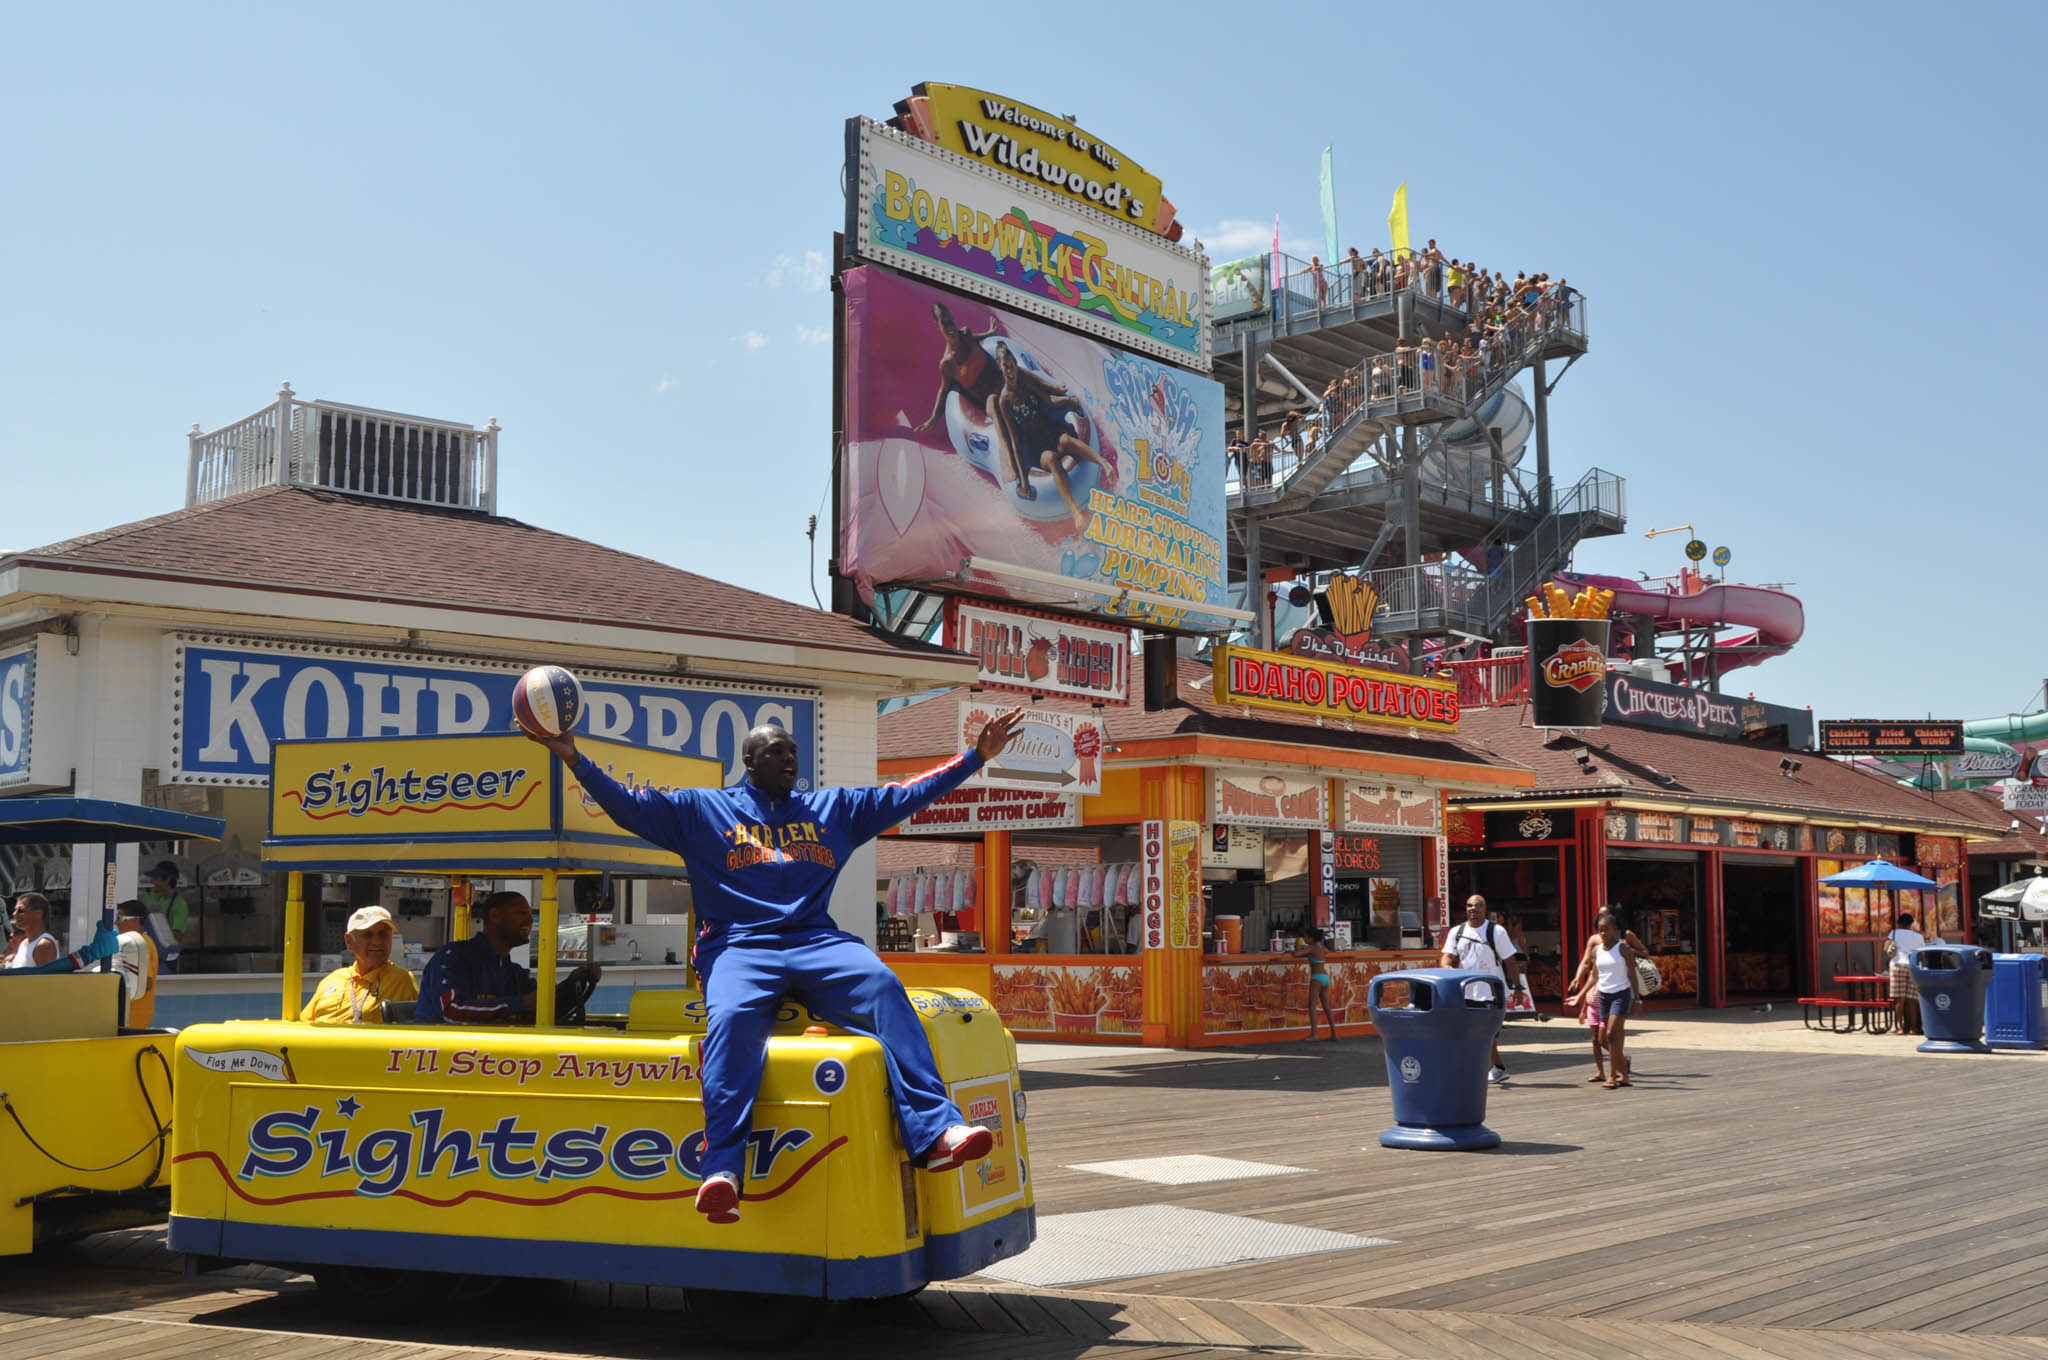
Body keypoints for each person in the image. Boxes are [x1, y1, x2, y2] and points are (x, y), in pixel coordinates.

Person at [528, 707, 1028, 1226]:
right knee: (732, 1020)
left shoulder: (833, 810)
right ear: (749, 761)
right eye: (775, 751)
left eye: (792, 750)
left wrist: (974, 758)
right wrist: (573, 758)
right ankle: (722, 1170)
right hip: (739, 945)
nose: (789, 759)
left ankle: (937, 1132)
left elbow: (906, 794)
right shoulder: (704, 812)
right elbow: (628, 806)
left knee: (882, 984)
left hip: (817, 941)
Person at [415, 891, 601, 1026]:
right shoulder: (453, 959)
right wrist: (518, 1003)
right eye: (522, 913)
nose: (530, 920)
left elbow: (545, 1010)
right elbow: (452, 1012)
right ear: (495, 916)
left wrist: (575, 982)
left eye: (529, 914)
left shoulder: (513, 973)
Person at [990, 341, 1114, 529]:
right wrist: (1023, 481)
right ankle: (1075, 511)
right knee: (1052, 458)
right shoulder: (1004, 401)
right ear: (1000, 368)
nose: (1010, 370)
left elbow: (1048, 398)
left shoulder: (1025, 378)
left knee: (1066, 440)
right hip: (1035, 446)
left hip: (1050, 430)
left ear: (1015, 362)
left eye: (1011, 364)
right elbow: (1014, 441)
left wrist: (1067, 399)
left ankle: (1104, 464)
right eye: (1005, 366)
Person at [913, 301, 1025, 492]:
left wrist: (990, 332)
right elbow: (944, 389)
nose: (949, 326)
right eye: (944, 323)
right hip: (988, 400)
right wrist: (934, 417)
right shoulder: (948, 363)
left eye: (949, 320)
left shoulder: (966, 334)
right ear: (938, 326)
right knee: (993, 403)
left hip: (1003, 384)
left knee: (1024, 382)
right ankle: (1010, 462)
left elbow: (978, 338)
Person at [1439, 894, 1526, 1083]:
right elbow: (1447, 956)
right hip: (1464, 992)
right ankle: (1492, 1068)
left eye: (1478, 905)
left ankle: (1495, 1068)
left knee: (1485, 1033)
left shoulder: (1497, 932)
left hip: (1490, 992)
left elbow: (1510, 962)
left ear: (1485, 909)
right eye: (1469, 905)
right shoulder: (1457, 932)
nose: (1473, 909)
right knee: (1468, 1031)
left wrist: (1518, 988)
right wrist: (1446, 967)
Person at [1565, 909, 1643, 1089]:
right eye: (1600, 929)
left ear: (1616, 929)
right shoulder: (1596, 950)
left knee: (1610, 1034)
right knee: (1603, 1040)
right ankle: (1624, 1076)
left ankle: (1612, 1077)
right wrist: (1579, 996)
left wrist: (1637, 999)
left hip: (1621, 994)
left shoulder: (1623, 949)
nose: (1602, 933)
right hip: (1603, 995)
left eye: (1606, 929)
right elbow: (1594, 977)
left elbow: (1632, 975)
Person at [303, 905, 421, 1025]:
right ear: (349, 941)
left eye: (383, 934)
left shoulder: (401, 980)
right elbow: (304, 1022)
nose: (377, 942)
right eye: (367, 935)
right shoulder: (332, 980)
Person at [111, 899, 159, 1028]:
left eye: (120, 918)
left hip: (133, 1016)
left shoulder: (141, 944)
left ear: (136, 920)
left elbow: (146, 983)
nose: (116, 923)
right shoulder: (133, 943)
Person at [1290, 928, 1338, 1040]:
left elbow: (1296, 954)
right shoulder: (1321, 947)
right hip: (1325, 977)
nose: (1304, 938)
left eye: (1306, 937)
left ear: (1311, 938)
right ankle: (1334, 1034)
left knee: (1312, 1006)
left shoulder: (1311, 947)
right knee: (1327, 1006)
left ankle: (1315, 1034)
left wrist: (1299, 948)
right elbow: (1325, 952)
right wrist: (1307, 952)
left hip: (1317, 978)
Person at [1886, 911, 1927, 1036]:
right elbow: (1923, 954)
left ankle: (1900, 1028)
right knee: (1912, 1000)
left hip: (1897, 965)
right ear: (1911, 924)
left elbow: (1886, 949)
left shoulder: (1894, 933)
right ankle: (1914, 1028)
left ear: (1899, 923)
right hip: (1912, 966)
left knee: (1899, 999)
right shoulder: (1918, 936)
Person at [140, 860, 189, 963]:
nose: (152, 882)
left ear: (167, 879)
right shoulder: (155, 898)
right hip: (152, 955)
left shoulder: (179, 905)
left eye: (156, 878)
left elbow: (177, 936)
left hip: (168, 959)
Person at [7, 893, 59, 969]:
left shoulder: (44, 945)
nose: (14, 914)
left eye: (21, 910)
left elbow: (47, 979)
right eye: (15, 910)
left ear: (38, 914)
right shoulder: (24, 943)